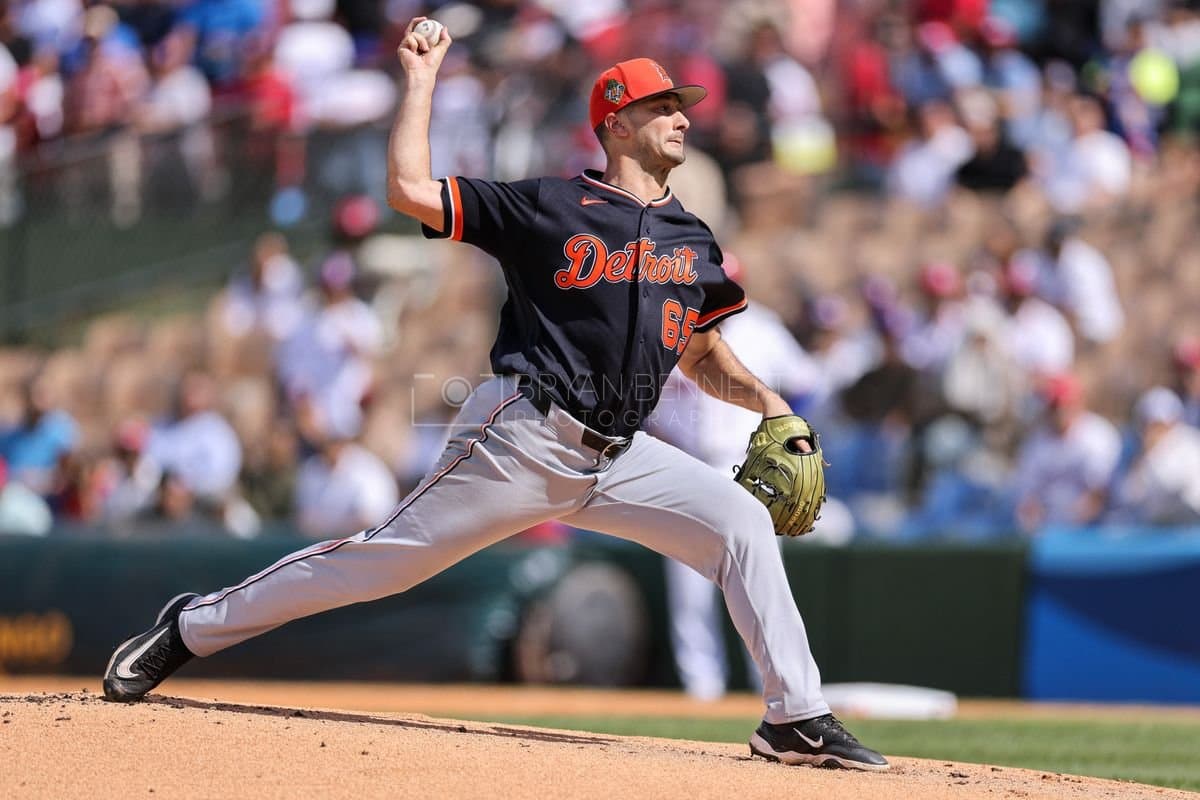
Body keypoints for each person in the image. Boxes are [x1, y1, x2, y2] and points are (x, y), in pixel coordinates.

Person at [101, 20, 888, 772]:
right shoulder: (548, 206)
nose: (682, 117)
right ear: (615, 123)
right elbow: (411, 189)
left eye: (682, 106)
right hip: (522, 437)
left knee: (741, 521)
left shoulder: (692, 239)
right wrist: (421, 79)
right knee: (380, 565)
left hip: (620, 458)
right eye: (662, 105)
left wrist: (771, 405)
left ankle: (793, 716)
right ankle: (191, 628)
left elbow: (702, 351)